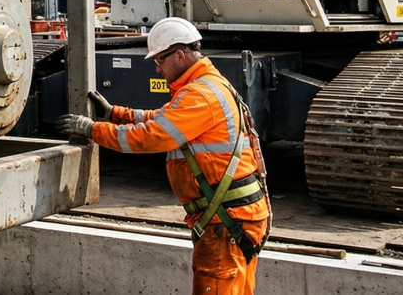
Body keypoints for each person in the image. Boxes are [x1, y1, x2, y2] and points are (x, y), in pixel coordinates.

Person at [58, 18, 271, 294]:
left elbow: (153, 135)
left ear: (179, 55)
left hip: (226, 221)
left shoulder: (200, 95)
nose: (157, 69)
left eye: (160, 61)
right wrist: (114, 113)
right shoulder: (205, 86)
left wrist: (93, 130)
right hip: (235, 217)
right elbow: (161, 118)